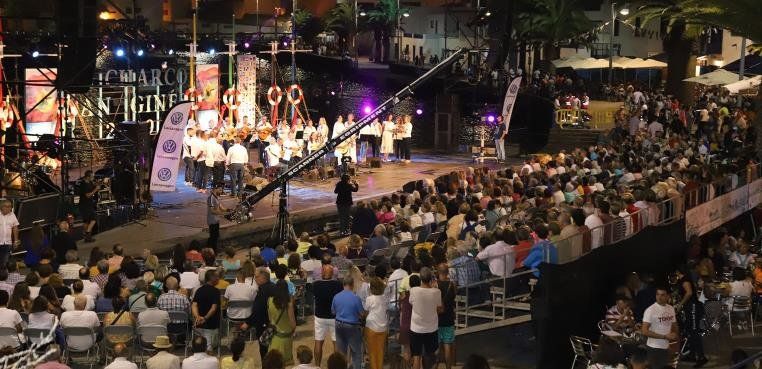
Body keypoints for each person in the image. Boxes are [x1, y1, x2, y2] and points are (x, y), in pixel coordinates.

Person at [673, 267, 707, 367]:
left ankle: (702, 357)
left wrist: (680, 305)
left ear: (679, 272)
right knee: (690, 331)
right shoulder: (685, 280)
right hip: (690, 307)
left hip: (693, 307)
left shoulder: (685, 280)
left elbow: (689, 293)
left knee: (694, 331)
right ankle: (692, 355)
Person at [409, 267, 442, 369]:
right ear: (431, 279)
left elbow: (411, 303)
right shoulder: (437, 292)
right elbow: (439, 309)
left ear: (421, 279)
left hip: (416, 328)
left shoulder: (414, 290)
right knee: (429, 355)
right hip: (431, 328)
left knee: (416, 356)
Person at [241, 267, 276, 359]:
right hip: (275, 323)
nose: (255, 279)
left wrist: (248, 322)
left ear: (263, 277)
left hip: (264, 324)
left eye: (256, 277)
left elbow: (258, 309)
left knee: (264, 349)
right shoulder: (274, 287)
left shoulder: (263, 290)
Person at [332, 275, 365, 369]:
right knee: (356, 352)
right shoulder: (356, 298)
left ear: (343, 284)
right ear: (352, 284)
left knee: (341, 352)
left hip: (338, 324)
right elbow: (362, 314)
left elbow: (333, 311)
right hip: (352, 326)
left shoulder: (336, 296)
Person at [312, 265, 343, 366]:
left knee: (318, 342)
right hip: (334, 317)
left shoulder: (315, 285)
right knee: (336, 343)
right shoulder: (338, 284)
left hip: (319, 317)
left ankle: (317, 366)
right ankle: (338, 367)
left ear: (322, 273)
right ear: (332, 274)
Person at [641, 286, 678, 369]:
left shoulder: (671, 308)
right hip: (654, 348)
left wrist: (675, 338)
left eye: (662, 295)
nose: (659, 297)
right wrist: (664, 337)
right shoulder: (650, 310)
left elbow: (675, 326)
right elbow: (644, 331)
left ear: (668, 296)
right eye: (657, 294)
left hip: (667, 347)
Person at [191, 270, 221, 352]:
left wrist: (197, 317)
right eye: (217, 277)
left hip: (199, 327)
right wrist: (205, 318)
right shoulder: (216, 291)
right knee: (209, 348)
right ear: (212, 278)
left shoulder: (199, 290)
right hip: (211, 326)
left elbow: (194, 305)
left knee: (200, 347)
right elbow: (214, 308)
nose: (218, 278)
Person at [268, 279, 296, 365]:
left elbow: (270, 318)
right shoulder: (288, 304)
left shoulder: (269, 300)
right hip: (286, 336)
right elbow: (293, 324)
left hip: (274, 335)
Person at [364, 277, 388, 369]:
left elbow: (366, 313)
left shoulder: (369, 299)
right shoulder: (385, 298)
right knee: (380, 351)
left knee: (372, 352)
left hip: (371, 327)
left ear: (371, 288)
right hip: (383, 328)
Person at [437, 264, 457, 369]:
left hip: (437, 318)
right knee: (447, 344)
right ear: (448, 272)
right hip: (449, 317)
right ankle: (448, 367)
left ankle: (436, 365)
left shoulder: (435, 285)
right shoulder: (452, 284)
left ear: (438, 272)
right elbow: (454, 296)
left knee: (437, 345)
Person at [77, 171, 99, 242]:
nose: (93, 178)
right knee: (94, 218)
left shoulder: (89, 182)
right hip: (84, 205)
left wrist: (98, 184)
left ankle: (87, 237)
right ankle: (87, 233)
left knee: (87, 221)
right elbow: (87, 195)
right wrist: (95, 190)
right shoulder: (83, 184)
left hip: (88, 204)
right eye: (92, 176)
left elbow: (93, 187)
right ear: (88, 177)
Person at [207, 184, 226, 250]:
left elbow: (221, 207)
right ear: (215, 189)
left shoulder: (216, 197)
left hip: (216, 220)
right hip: (212, 221)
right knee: (213, 238)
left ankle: (211, 250)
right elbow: (212, 211)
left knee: (216, 236)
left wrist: (230, 210)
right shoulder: (211, 198)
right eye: (220, 190)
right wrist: (223, 214)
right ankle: (212, 251)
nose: (221, 191)